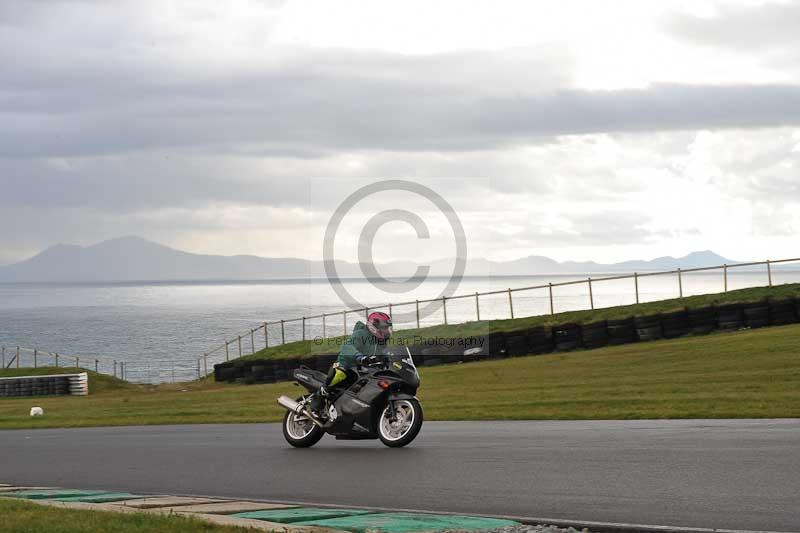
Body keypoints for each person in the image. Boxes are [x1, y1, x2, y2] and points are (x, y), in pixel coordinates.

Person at [309, 311, 393, 415]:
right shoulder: (361, 334)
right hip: (347, 365)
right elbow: (347, 346)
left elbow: (384, 355)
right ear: (374, 326)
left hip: (365, 370)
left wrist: (389, 360)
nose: (387, 330)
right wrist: (359, 356)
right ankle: (320, 395)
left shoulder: (381, 342)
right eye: (384, 328)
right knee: (340, 374)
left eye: (388, 328)